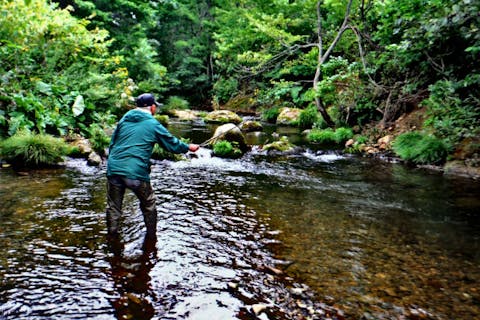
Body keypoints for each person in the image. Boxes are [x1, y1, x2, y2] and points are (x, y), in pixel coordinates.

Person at [106, 93, 199, 240]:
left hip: (113, 168)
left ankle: (112, 238)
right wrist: (188, 147)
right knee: (149, 204)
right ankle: (151, 238)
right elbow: (171, 144)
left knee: (113, 206)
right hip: (135, 172)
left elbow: (112, 143)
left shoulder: (124, 119)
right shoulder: (152, 123)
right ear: (152, 107)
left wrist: (113, 163)